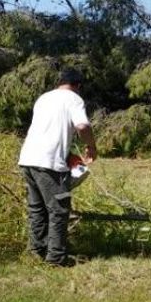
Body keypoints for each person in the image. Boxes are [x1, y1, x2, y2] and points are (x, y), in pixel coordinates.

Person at [18, 68, 97, 266]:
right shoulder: (73, 99)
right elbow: (82, 126)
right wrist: (91, 146)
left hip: (28, 159)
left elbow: (48, 131)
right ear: (77, 86)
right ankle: (56, 259)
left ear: (60, 82)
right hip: (48, 164)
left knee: (37, 209)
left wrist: (68, 154)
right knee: (59, 210)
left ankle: (37, 251)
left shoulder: (44, 98)